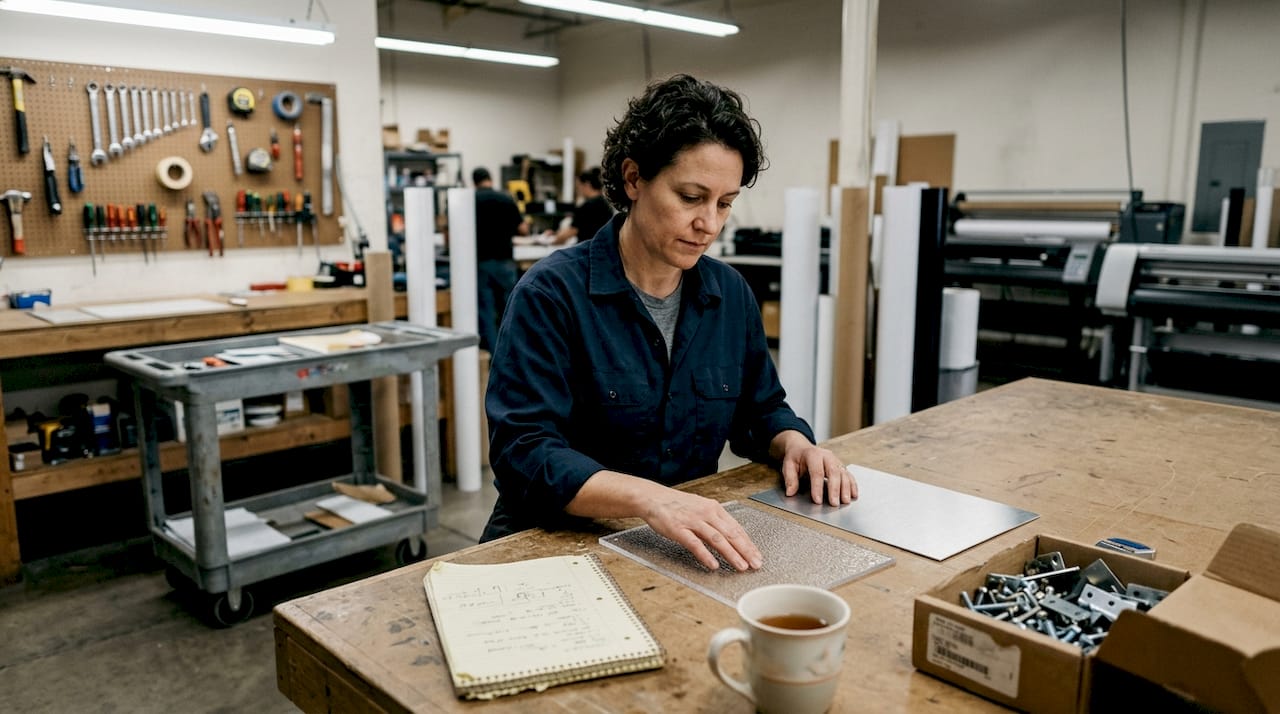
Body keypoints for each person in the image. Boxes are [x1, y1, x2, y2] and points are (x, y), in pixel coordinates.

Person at [481, 74, 858, 571]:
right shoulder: (551, 295)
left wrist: (796, 443)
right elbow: (524, 454)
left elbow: (760, 409)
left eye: (724, 203)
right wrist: (651, 499)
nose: (711, 224)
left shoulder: (728, 296)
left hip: (673, 545)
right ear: (634, 179)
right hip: (548, 547)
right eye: (690, 197)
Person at [471, 166, 529, 353]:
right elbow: (523, 230)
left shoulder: (470, 200)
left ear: (474, 182)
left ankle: (494, 357)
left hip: (482, 263)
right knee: (509, 310)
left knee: (486, 312)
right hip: (505, 263)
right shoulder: (505, 198)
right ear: (491, 178)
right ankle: (513, 354)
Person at [547, 167, 614, 244]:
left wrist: (552, 241)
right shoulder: (606, 204)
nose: (579, 190)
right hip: (602, 247)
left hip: (586, 249)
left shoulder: (587, 206)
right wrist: (555, 233)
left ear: (586, 185)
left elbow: (571, 231)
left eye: (579, 186)